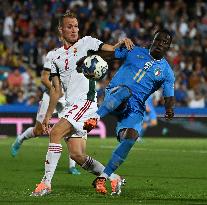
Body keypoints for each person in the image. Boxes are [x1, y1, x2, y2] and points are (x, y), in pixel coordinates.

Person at [30, 11, 133, 196]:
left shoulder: (87, 43)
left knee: (55, 133)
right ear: (60, 29)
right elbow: (55, 89)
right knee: (76, 155)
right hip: (70, 106)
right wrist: (47, 116)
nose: (74, 29)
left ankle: (46, 183)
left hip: (85, 103)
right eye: (69, 26)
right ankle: (114, 178)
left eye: (76, 26)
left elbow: (110, 50)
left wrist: (121, 43)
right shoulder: (55, 56)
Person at [84, 29, 175, 194]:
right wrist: (92, 57)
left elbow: (169, 96)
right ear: (152, 40)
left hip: (135, 108)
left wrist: (169, 109)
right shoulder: (134, 50)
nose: (160, 44)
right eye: (158, 40)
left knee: (131, 137)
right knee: (126, 91)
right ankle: (94, 118)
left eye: (165, 42)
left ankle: (103, 177)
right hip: (115, 93)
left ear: (168, 46)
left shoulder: (167, 72)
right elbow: (109, 56)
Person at [10, 46, 81, 175]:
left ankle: (72, 166)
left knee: (70, 128)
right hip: (51, 95)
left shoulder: (77, 55)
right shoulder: (53, 54)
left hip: (68, 97)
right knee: (39, 130)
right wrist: (57, 91)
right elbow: (43, 78)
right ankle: (20, 139)